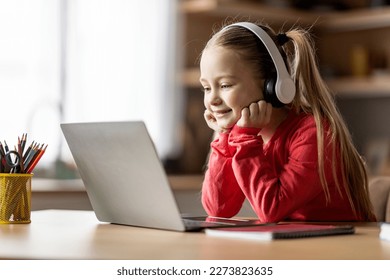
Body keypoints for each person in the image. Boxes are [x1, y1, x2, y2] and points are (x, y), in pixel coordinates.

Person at [199, 21, 376, 223]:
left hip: (341, 248)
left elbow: (272, 209)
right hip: (294, 246)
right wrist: (224, 136)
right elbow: (218, 209)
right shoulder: (244, 136)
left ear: (272, 84)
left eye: (224, 85)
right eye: (206, 88)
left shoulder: (313, 133)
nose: (212, 99)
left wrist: (243, 140)